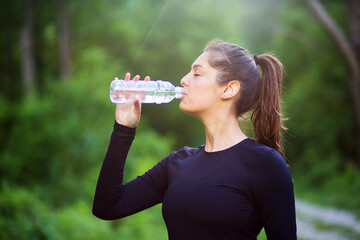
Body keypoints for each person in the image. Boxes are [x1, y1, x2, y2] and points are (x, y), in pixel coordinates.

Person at [92, 39, 297, 240]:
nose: (184, 79)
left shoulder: (264, 164)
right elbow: (107, 207)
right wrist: (123, 129)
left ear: (228, 89)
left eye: (197, 73)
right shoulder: (178, 162)